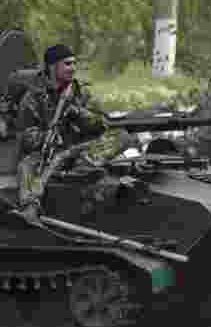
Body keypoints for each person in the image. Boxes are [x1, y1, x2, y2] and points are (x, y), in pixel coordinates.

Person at [14, 43, 134, 222]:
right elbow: (25, 136)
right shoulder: (34, 97)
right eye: (68, 64)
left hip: (80, 151)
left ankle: (81, 169)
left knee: (122, 136)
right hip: (52, 153)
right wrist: (47, 137)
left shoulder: (81, 92)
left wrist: (79, 113)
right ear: (52, 67)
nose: (73, 68)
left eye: (74, 63)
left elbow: (102, 124)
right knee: (26, 165)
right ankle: (30, 207)